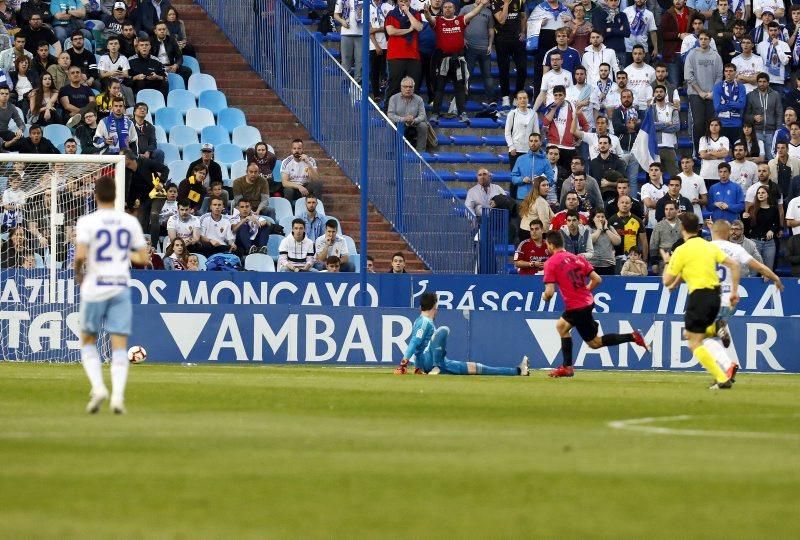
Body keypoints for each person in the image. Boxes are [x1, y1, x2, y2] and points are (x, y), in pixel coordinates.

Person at [75, 174, 149, 414]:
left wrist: (79, 276)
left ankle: (98, 388)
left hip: (95, 286)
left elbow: (79, 257)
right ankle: (117, 397)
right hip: (120, 286)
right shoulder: (129, 222)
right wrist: (123, 254)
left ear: (95, 195)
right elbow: (143, 259)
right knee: (119, 344)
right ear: (116, 196)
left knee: (87, 340)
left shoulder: (87, 222)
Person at [542, 230, 648, 378]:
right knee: (561, 326)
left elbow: (549, 292)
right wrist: (584, 290)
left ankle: (633, 336)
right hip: (585, 302)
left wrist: (544, 297)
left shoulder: (550, 263)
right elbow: (597, 279)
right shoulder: (577, 259)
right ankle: (567, 366)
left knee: (595, 343)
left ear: (551, 245)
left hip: (576, 307)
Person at [661, 212, 741, 389]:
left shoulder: (681, 250)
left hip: (699, 296)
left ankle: (722, 378)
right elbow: (734, 265)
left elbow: (666, 281)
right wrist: (734, 291)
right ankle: (715, 328)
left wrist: (667, 262)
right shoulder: (708, 246)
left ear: (682, 228)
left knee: (693, 342)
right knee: (693, 334)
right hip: (716, 296)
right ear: (698, 227)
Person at [708, 220, 782, 377]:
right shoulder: (736, 248)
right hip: (729, 299)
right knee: (712, 336)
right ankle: (725, 370)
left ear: (713, 231)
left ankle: (725, 367)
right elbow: (760, 267)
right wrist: (775, 278)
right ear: (728, 232)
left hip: (710, 297)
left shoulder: (706, 248)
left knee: (698, 337)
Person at [395, 291, 528, 376]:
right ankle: (437, 367)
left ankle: (518, 371)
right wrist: (403, 364)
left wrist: (418, 367)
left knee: (476, 368)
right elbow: (415, 342)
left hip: (434, 363)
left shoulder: (420, 320)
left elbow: (418, 347)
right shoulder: (425, 322)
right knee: (444, 330)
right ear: (435, 306)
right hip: (430, 361)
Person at [424, 0, 487, 124]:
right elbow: (429, 19)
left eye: (450, 7)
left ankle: (462, 113)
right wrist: (426, 12)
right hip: (443, 60)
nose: (447, 9)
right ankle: (435, 114)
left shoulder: (460, 20)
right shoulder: (438, 20)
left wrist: (482, 4)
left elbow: (473, 13)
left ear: (454, 9)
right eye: (445, 7)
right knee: (439, 88)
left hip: (458, 60)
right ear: (442, 10)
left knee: (459, 88)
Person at [685, 30, 723, 156]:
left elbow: (719, 76)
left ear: (710, 40)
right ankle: (698, 152)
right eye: (701, 39)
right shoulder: (692, 54)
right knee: (698, 123)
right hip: (696, 94)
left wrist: (713, 92)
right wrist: (700, 92)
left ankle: (710, 150)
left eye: (706, 39)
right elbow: (688, 76)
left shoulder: (716, 56)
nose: (703, 41)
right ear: (698, 40)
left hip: (712, 95)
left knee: (710, 123)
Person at [383, 0, 424, 103]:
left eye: (406, 1)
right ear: (397, 2)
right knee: (394, 85)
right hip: (395, 55)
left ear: (410, 2)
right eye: (401, 1)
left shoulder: (415, 13)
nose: (403, 3)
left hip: (413, 55)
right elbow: (391, 31)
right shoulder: (391, 14)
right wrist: (409, 30)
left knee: (414, 86)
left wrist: (408, 12)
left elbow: (418, 27)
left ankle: (413, 113)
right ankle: (388, 111)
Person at [492, 0, 528, 107]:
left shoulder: (520, 1)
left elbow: (523, 17)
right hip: (502, 40)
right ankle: (505, 97)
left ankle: (518, 96)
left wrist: (523, 32)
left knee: (522, 68)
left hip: (517, 40)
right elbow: (501, 20)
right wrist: (506, 4)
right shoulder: (496, 2)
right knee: (504, 69)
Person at [744, 72, 782, 161]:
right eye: (760, 81)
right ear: (757, 82)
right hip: (756, 132)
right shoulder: (750, 95)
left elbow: (779, 114)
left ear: (768, 82)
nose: (762, 83)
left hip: (771, 132)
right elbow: (745, 115)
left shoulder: (775, 95)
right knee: (757, 158)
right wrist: (753, 117)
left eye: (764, 81)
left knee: (772, 158)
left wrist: (778, 131)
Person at [386, 76, 429, 152]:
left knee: (423, 125)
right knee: (390, 123)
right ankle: (389, 150)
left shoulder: (419, 99)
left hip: (414, 124)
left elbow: (423, 115)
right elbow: (390, 114)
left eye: (410, 87)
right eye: (405, 87)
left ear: (413, 88)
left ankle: (421, 151)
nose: (408, 89)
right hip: (398, 123)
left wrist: (414, 120)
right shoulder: (394, 98)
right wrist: (403, 119)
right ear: (401, 87)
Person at [744, 185, 781, 269]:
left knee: (768, 271)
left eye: (763, 193)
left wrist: (772, 230)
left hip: (769, 243)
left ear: (768, 195)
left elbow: (777, 224)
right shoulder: (752, 208)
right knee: (753, 270)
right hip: (754, 242)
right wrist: (745, 218)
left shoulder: (774, 209)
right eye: (758, 193)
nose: (760, 194)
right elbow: (747, 228)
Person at [504, 89, 539, 176]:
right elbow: (507, 132)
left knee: (528, 175)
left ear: (528, 99)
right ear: (517, 101)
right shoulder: (512, 114)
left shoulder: (533, 114)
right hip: (515, 150)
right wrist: (511, 146)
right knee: (516, 176)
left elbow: (536, 132)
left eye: (524, 98)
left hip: (529, 150)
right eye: (520, 98)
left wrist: (535, 147)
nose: (523, 100)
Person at [510, 132, 553, 200]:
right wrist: (522, 180)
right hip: (522, 198)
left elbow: (551, 180)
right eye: (531, 141)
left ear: (540, 143)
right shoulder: (520, 159)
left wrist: (540, 181)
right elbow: (513, 178)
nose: (533, 143)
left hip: (539, 198)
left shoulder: (546, 161)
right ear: (528, 142)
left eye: (536, 141)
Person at [149, 20, 191, 86]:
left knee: (187, 71)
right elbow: (149, 57)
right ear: (155, 31)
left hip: (171, 67)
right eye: (159, 30)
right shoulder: (151, 41)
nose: (162, 31)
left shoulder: (172, 40)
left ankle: (182, 88)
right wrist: (161, 67)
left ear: (166, 30)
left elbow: (179, 56)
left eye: (164, 29)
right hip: (158, 68)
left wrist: (176, 65)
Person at [280, 138, 321, 203]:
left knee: (317, 184)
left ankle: (317, 208)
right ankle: (288, 211)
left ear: (302, 149)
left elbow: (315, 179)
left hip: (306, 187)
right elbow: (284, 183)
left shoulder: (310, 160)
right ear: (291, 150)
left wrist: (308, 163)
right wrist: (299, 187)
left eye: (299, 148)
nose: (297, 150)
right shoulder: (286, 162)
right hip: (293, 188)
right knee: (288, 190)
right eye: (294, 148)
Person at [755, 22, 790, 89]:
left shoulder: (785, 45)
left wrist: (777, 46)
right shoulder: (760, 45)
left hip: (778, 80)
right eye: (771, 30)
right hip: (764, 80)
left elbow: (785, 62)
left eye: (775, 30)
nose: (773, 32)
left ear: (779, 31)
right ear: (768, 31)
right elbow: (758, 63)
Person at [587, 208, 620, 274]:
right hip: (592, 264)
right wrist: (599, 229)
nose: (601, 219)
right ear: (593, 218)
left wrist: (606, 229)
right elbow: (589, 242)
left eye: (602, 217)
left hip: (608, 264)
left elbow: (617, 242)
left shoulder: (610, 228)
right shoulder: (588, 228)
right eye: (598, 217)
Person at [698, 118, 729, 189]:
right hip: (706, 174)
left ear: (720, 127)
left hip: (720, 175)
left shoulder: (724, 139)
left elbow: (725, 154)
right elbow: (703, 155)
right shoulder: (703, 139)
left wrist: (710, 152)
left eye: (716, 125)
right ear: (709, 127)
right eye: (711, 125)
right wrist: (718, 155)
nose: (714, 127)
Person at [677, 155, 708, 220]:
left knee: (696, 230)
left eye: (687, 162)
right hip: (681, 212)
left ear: (693, 163)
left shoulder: (699, 179)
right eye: (682, 163)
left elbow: (705, 200)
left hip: (695, 211)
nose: (685, 165)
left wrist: (698, 201)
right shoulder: (677, 178)